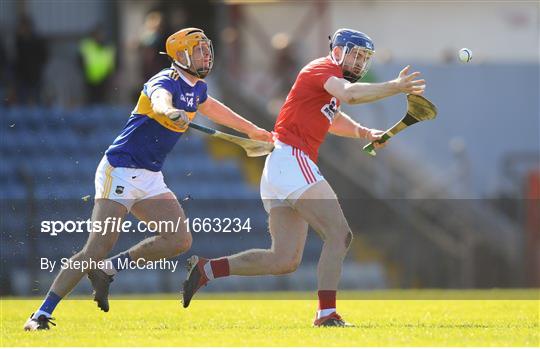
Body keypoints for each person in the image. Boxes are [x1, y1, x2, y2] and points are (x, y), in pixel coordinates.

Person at [24, 27, 272, 331]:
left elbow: (213, 109)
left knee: (179, 240)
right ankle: (40, 314)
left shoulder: (197, 89)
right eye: (199, 50)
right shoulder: (164, 80)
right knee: (97, 246)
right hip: (120, 169)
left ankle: (110, 269)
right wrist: (170, 111)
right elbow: (159, 100)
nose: (206, 55)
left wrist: (250, 130)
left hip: (150, 175)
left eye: (207, 49)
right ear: (181, 55)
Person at [181, 28, 426, 327]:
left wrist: (363, 132)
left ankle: (206, 269)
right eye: (356, 54)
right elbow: (349, 96)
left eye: (365, 58)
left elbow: (332, 116)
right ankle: (326, 315)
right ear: (337, 51)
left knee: (283, 260)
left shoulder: (329, 84)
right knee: (340, 234)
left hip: (280, 167)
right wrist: (396, 86)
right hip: (292, 160)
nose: (360, 62)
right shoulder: (323, 68)